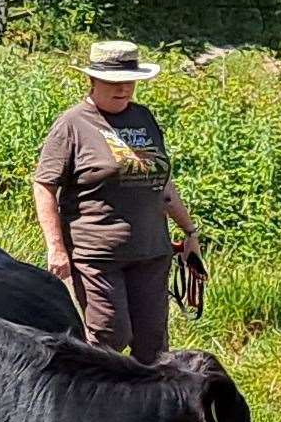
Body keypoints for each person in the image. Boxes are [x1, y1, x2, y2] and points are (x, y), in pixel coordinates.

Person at [33, 40, 200, 363]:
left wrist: (189, 231)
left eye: (129, 81)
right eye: (113, 82)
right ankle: (92, 406)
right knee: (110, 335)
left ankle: (147, 411)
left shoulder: (144, 118)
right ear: (93, 81)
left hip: (152, 250)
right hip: (97, 253)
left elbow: (163, 183)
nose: (123, 88)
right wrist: (56, 248)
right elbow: (44, 184)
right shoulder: (73, 124)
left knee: (153, 345)